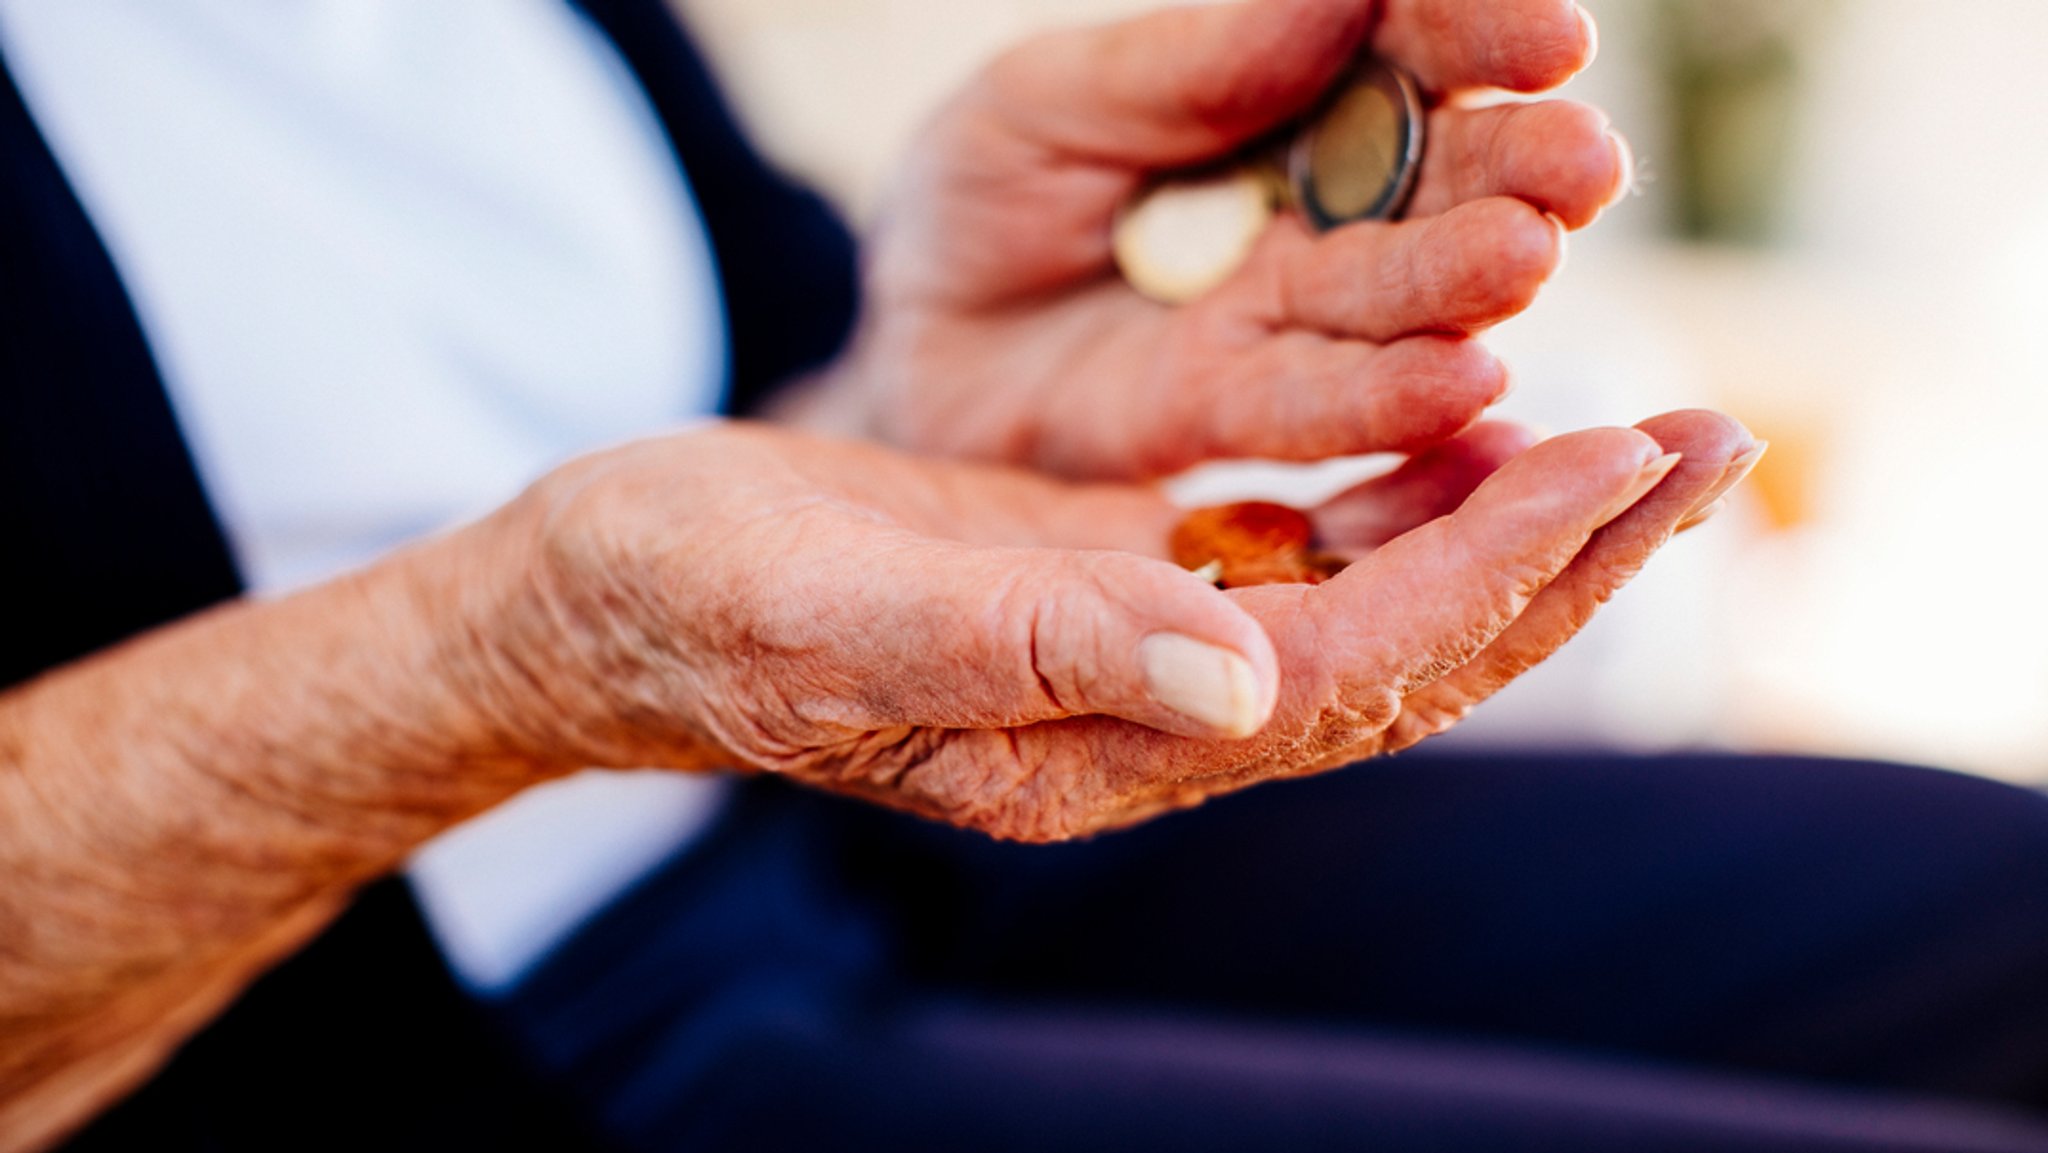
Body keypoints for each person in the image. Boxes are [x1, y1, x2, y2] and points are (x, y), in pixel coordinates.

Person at [1, 2, 2043, 1151]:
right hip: (425, 1066)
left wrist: (926, 372)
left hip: (848, 840)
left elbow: (758, 381)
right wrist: (504, 655)